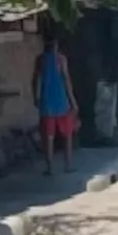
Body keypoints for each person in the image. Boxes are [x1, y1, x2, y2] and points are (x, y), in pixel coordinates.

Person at [31, 31, 79, 175]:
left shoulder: (40, 60)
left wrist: (36, 97)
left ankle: (50, 167)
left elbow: (35, 80)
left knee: (48, 135)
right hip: (61, 99)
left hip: (47, 100)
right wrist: (73, 101)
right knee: (67, 134)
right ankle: (68, 164)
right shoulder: (60, 59)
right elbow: (66, 81)